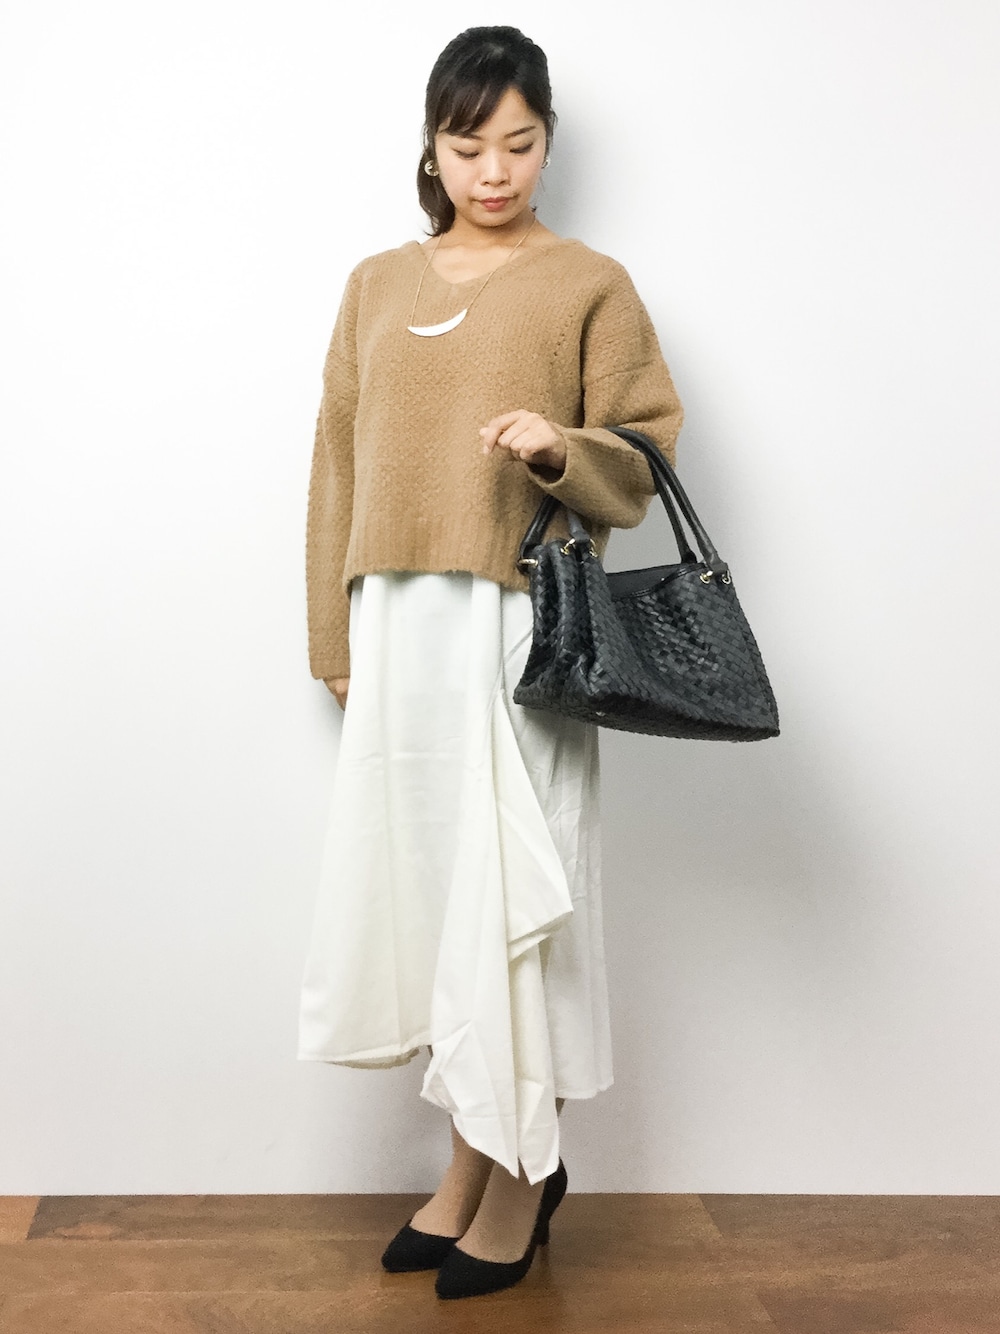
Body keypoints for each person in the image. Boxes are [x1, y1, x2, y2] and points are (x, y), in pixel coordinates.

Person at [297, 25, 683, 1300]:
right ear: (432, 147)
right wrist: (332, 632)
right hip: (398, 626)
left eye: (518, 143)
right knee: (437, 901)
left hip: (522, 623)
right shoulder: (374, 283)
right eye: (469, 147)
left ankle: (522, 1174)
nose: (495, 171)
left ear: (548, 141)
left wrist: (560, 448)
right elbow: (337, 461)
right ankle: (470, 1163)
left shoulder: (589, 285)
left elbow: (645, 449)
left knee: (524, 894)